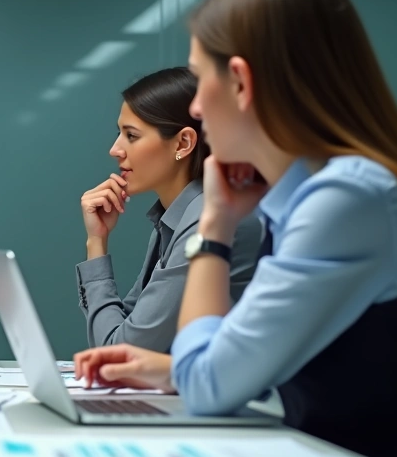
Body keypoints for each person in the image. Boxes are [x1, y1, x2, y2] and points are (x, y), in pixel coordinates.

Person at [73, 0, 397, 457]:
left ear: (242, 82)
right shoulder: (317, 197)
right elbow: (251, 365)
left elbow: (211, 382)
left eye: (201, 81)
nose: (197, 109)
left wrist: (217, 226)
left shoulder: (345, 198)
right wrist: (169, 370)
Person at [76, 68, 262, 352]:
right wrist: (96, 239)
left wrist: (96, 245)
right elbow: (128, 329)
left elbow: (120, 350)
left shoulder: (205, 219)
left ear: (183, 143)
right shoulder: (180, 214)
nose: (115, 149)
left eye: (132, 135)